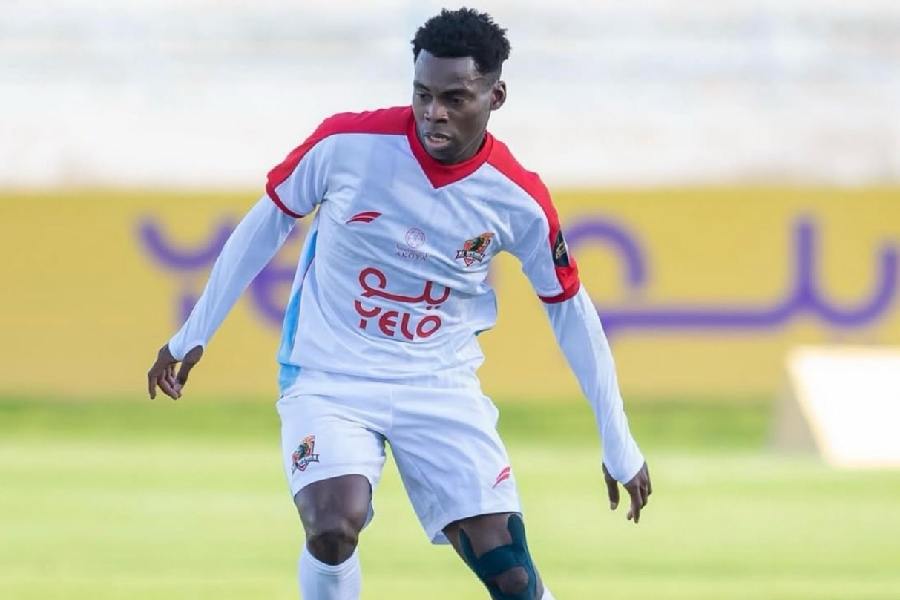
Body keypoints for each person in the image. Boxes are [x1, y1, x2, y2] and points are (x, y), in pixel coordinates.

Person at [146, 8, 651, 600]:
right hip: (330, 375)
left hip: (439, 385)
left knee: (510, 570)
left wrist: (617, 440)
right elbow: (265, 225)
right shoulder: (346, 145)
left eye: (455, 98)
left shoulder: (519, 200)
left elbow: (571, 312)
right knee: (333, 524)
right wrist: (193, 332)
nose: (434, 112)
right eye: (423, 94)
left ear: (495, 96)